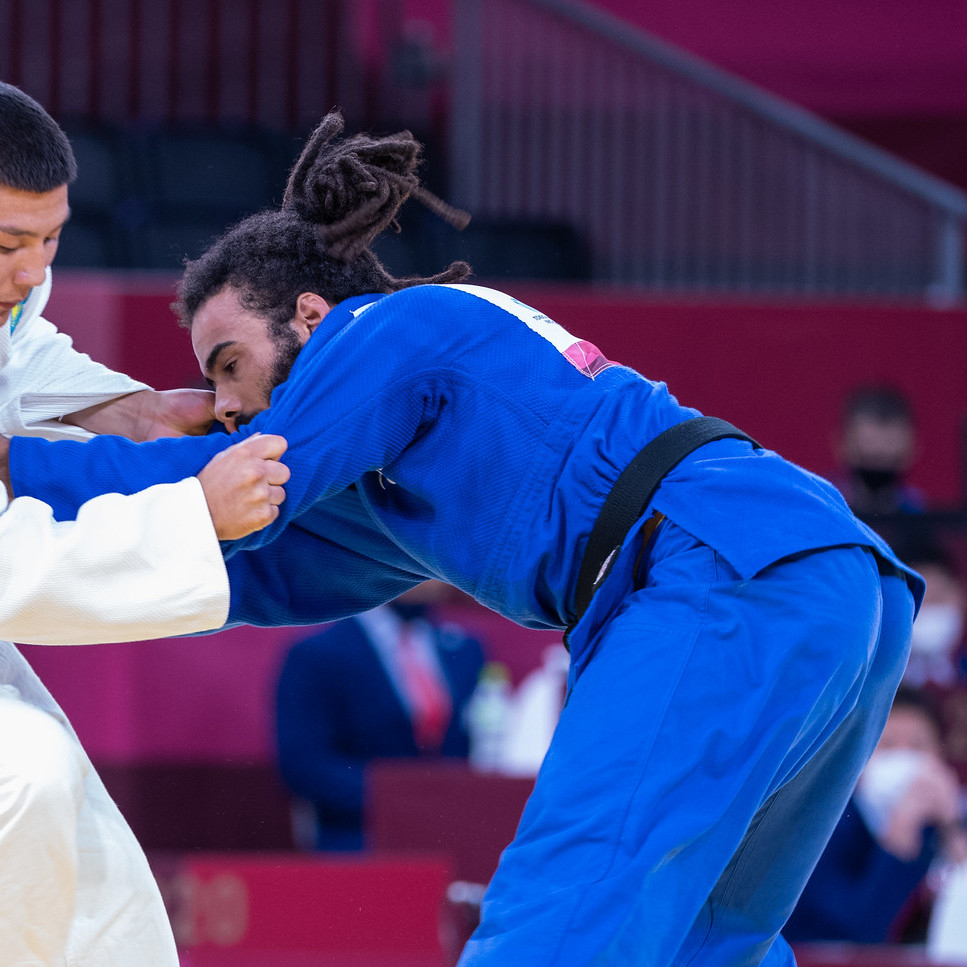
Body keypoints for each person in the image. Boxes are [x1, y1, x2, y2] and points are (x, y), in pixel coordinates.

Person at [4, 111, 924, 967]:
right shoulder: (406, 470)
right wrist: (132, 547)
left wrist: (16, 463)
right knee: (704, 944)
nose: (228, 403)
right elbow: (247, 565)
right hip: (836, 588)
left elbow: (229, 483)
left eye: (229, 364)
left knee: (550, 925)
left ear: (314, 317)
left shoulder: (391, 326)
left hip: (717, 564)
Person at [0, 82, 290, 965]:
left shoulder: (12, 290)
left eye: (50, 242)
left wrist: (126, 407)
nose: (29, 271)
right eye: (9, 243)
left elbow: (20, 355)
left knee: (107, 907)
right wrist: (190, 518)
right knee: (27, 779)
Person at [276, 581, 484, 850]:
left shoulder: (464, 647)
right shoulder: (318, 653)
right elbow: (305, 765)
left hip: (452, 836)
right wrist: (404, 797)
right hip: (360, 838)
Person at [784, 686, 967, 943]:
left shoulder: (954, 819)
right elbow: (856, 937)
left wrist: (952, 826)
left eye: (917, 746)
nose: (904, 759)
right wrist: (900, 837)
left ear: (939, 753)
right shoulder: (821, 831)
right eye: (888, 746)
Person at [834, 383, 925, 517]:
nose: (879, 452)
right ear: (843, 444)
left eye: (890, 442)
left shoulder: (921, 518)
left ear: (911, 446)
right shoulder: (828, 511)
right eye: (867, 442)